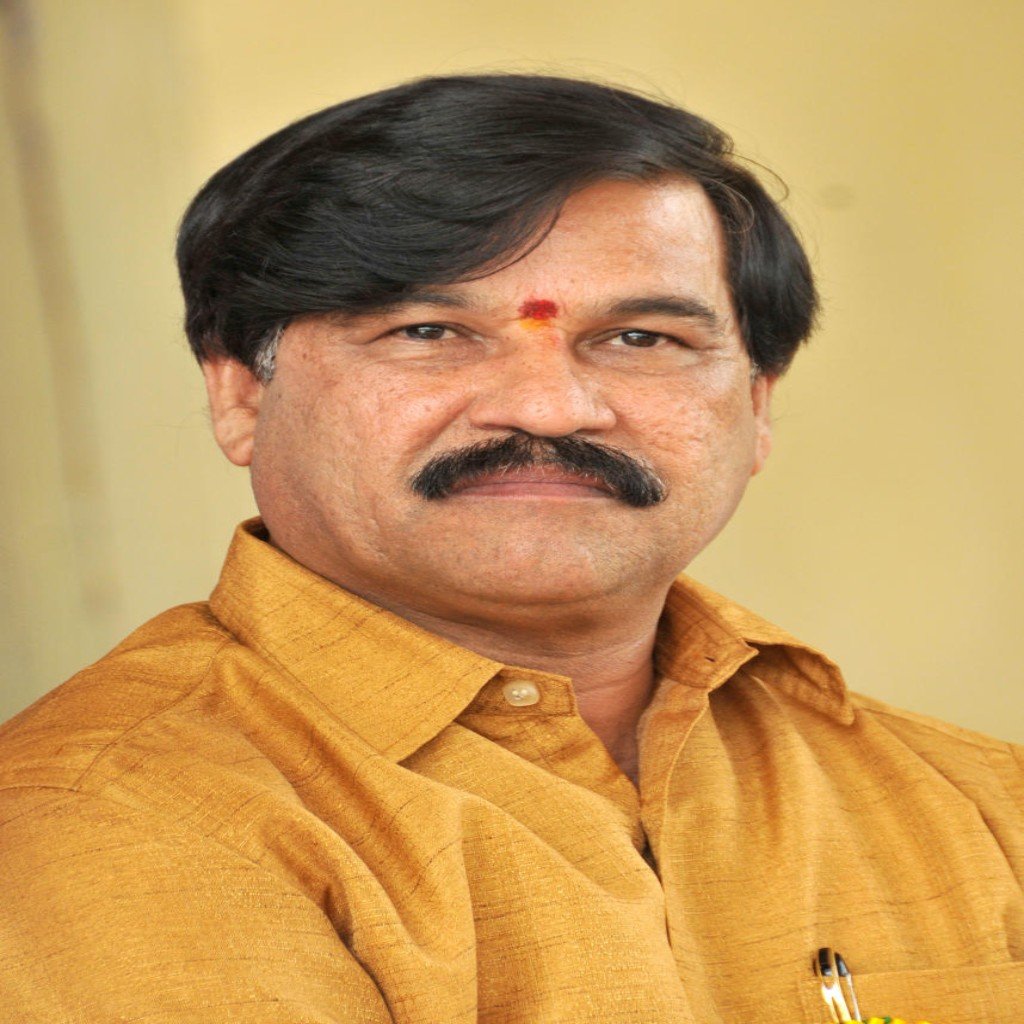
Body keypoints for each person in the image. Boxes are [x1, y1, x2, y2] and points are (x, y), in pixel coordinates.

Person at [0, 74, 1020, 1024]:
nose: (549, 406)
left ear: (756, 408)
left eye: (641, 339)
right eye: (428, 331)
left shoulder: (980, 804)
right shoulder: (107, 819)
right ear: (241, 395)